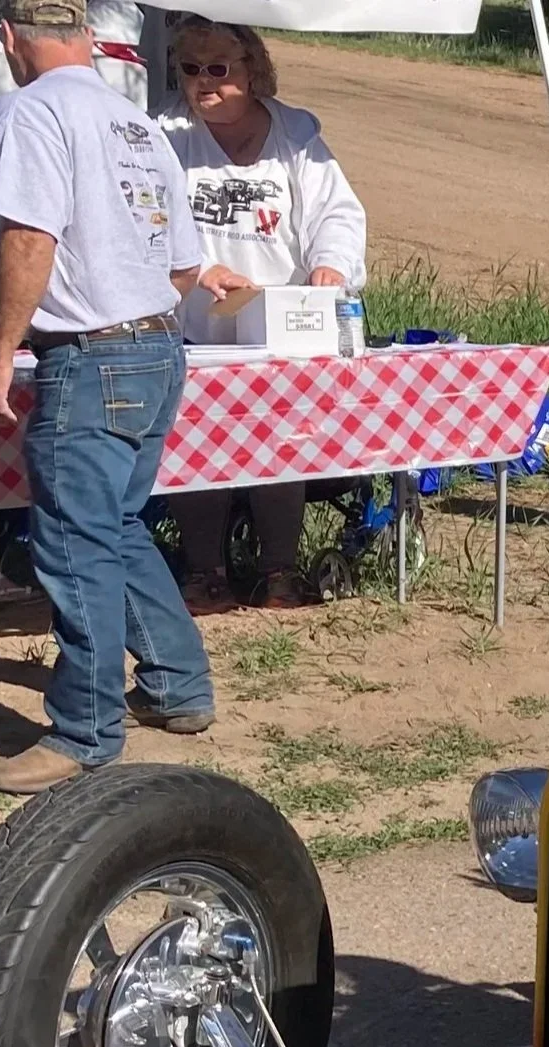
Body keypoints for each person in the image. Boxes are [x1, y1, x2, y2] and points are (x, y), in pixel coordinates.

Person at [0, 0, 243, 795]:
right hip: (158, 344)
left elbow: (29, 237)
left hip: (90, 356)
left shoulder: (29, 111)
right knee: (114, 527)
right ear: (89, 37)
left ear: (9, 37)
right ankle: (176, 683)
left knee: (73, 544)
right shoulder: (134, 123)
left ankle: (84, 730)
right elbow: (184, 262)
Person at [156, 15, 367, 609]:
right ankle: (205, 573)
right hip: (196, 326)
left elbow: (339, 216)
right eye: (191, 68)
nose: (203, 82)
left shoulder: (296, 137)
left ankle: (280, 570)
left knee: (282, 441)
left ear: (254, 71)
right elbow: (144, 221)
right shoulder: (164, 135)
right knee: (196, 445)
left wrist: (330, 264)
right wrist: (196, 270)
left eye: (218, 69)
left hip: (281, 325)